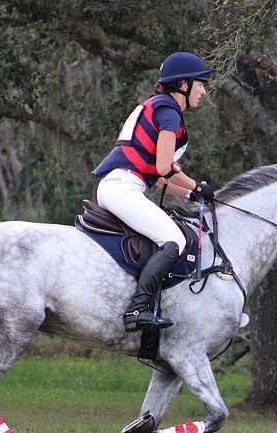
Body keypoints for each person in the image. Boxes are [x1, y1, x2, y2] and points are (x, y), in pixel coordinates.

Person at [91, 52, 216, 332]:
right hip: (123, 188)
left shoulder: (159, 108)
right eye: (200, 84)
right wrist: (197, 185)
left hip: (122, 185)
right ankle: (137, 308)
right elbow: (164, 166)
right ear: (183, 85)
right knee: (173, 239)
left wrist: (188, 196)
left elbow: (158, 177)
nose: (204, 90)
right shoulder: (169, 113)